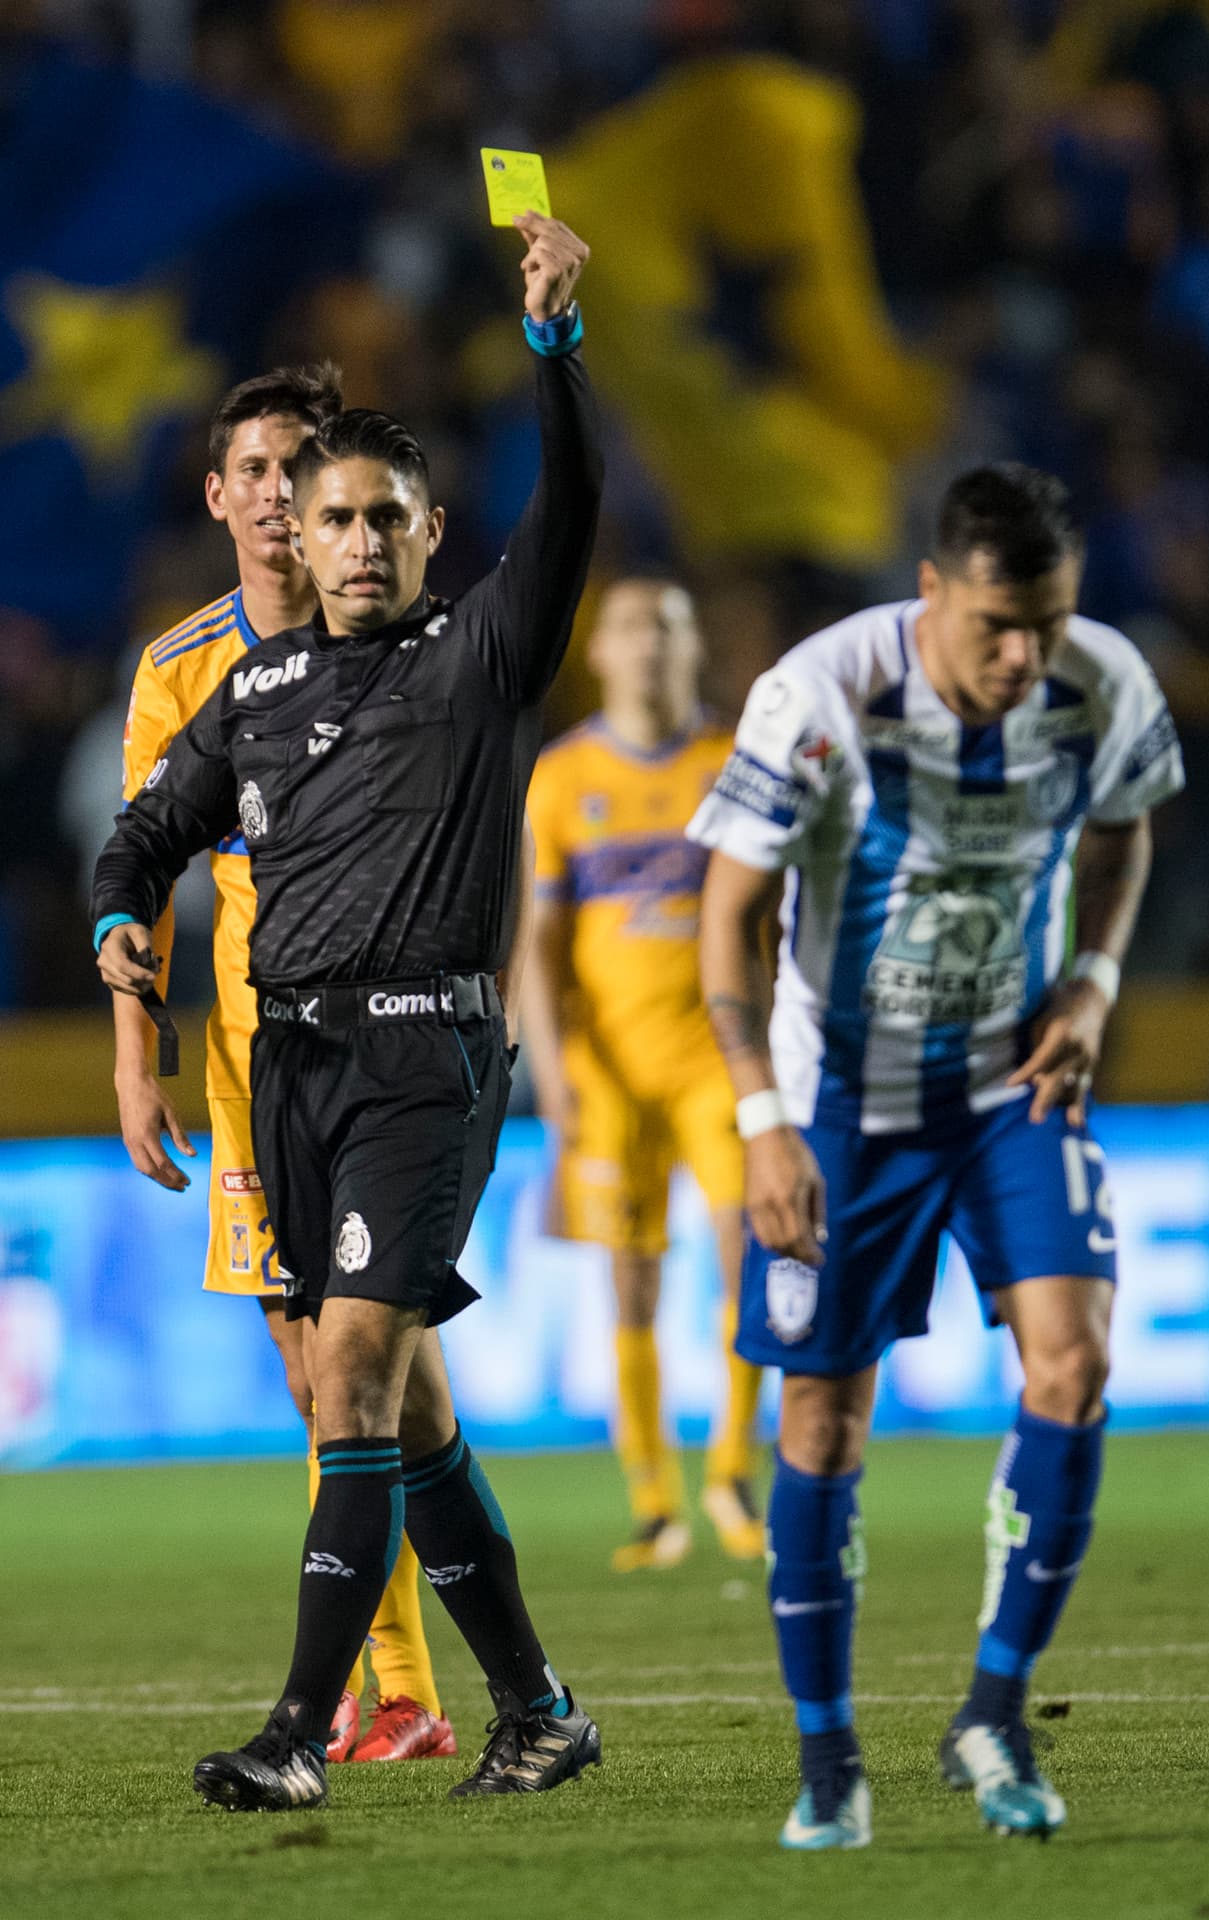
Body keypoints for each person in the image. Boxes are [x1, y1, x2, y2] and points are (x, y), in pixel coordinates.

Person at [92, 212, 603, 1812]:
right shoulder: (243, 694)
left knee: (360, 1370)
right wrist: (118, 913)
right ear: (295, 543)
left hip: (423, 1058)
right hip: (292, 1066)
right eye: (339, 522)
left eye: (391, 518)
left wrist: (553, 351)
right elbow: (147, 829)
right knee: (394, 1407)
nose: (365, 544)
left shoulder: (480, 658)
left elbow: (574, 511)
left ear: (432, 534)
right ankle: (537, 1709)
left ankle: (302, 1733)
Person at [689, 464, 1184, 1850]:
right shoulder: (818, 698)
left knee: (1074, 1365)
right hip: (838, 1099)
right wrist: (759, 1119)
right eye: (994, 629)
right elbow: (727, 916)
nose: (1024, 659)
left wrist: (1090, 978)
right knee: (820, 1424)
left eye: (1047, 624)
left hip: (1011, 1083)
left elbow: (1127, 826)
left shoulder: (1099, 685)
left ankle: (994, 1711)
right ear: (929, 597)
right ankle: (829, 1756)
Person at [115, 362, 486, 1765]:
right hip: (251, 1063)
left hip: (390, 1050)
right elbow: (143, 869)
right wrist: (131, 1065)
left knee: (358, 1373)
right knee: (349, 1380)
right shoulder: (181, 672)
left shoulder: (415, 646)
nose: (279, 500)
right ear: (219, 499)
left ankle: (399, 1691)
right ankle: (448, 1689)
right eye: (255, 476)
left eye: (299, 475)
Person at [522, 576, 764, 1571]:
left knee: (751, 1249)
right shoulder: (559, 776)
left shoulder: (733, 763)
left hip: (715, 1055)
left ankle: (732, 1473)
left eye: (667, 627)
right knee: (632, 1283)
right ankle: (653, 1498)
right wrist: (550, 1074)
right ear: (600, 654)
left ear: (692, 647)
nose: (650, 645)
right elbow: (534, 941)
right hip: (608, 1069)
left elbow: (771, 916)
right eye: (630, 628)